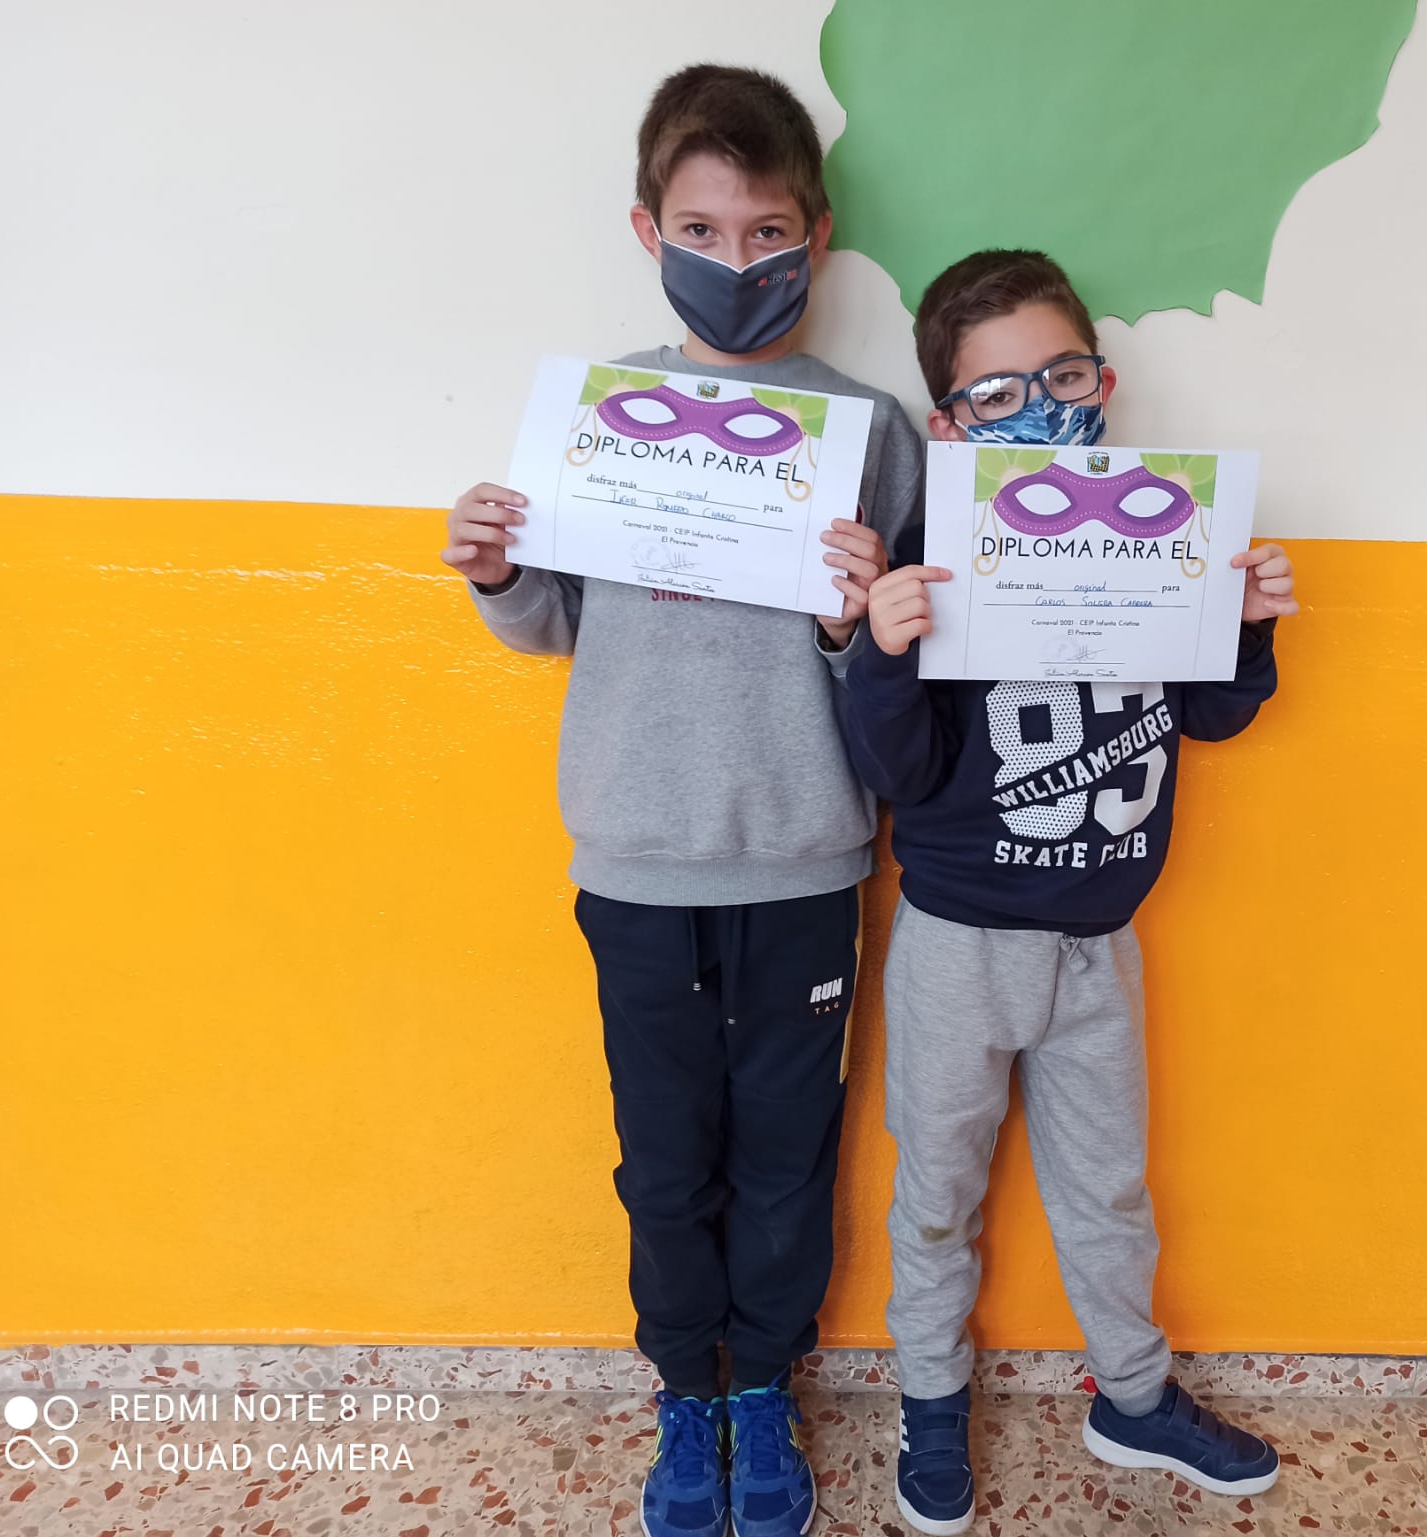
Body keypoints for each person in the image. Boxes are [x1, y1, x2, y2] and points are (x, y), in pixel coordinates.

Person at [440, 65, 922, 1537]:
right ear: (649, 231)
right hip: (638, 858)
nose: (737, 259)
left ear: (816, 235)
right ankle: (684, 1390)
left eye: (767, 231)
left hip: (806, 859)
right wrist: (499, 572)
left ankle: (761, 1383)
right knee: (663, 1157)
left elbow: (904, 660)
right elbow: (556, 624)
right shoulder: (602, 416)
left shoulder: (873, 430)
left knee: (786, 1155)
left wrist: (851, 621)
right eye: (703, 231)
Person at [842, 249, 1299, 1535]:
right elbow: (895, 769)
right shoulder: (931, 560)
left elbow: (1210, 713)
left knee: (1107, 1188)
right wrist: (883, 652)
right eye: (996, 394)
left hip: (1100, 941)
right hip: (959, 943)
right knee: (936, 1189)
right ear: (947, 425)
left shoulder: (1166, 530)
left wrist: (1245, 621)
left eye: (1061, 376)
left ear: (1104, 380)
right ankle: (931, 1395)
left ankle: (1133, 1395)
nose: (1039, 407)